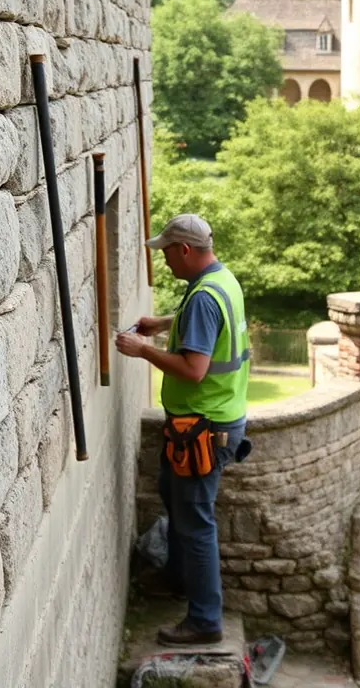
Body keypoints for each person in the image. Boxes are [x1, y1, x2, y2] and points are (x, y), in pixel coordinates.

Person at [116, 213, 250, 646]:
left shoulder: (204, 298)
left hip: (204, 428)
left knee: (195, 524)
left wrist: (143, 350)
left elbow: (194, 368)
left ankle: (205, 621)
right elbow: (202, 324)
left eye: (168, 252)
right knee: (174, 496)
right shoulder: (220, 280)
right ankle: (178, 580)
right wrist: (163, 323)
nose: (166, 261)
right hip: (216, 420)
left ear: (186, 250)